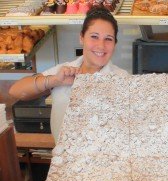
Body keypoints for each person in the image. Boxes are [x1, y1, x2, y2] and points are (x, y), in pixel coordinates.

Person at [9, 6, 128, 142]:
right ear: (82, 38)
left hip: (106, 160)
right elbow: (15, 91)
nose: (101, 45)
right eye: (94, 36)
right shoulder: (64, 71)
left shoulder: (122, 78)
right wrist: (54, 81)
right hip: (64, 159)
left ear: (115, 44)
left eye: (108, 39)